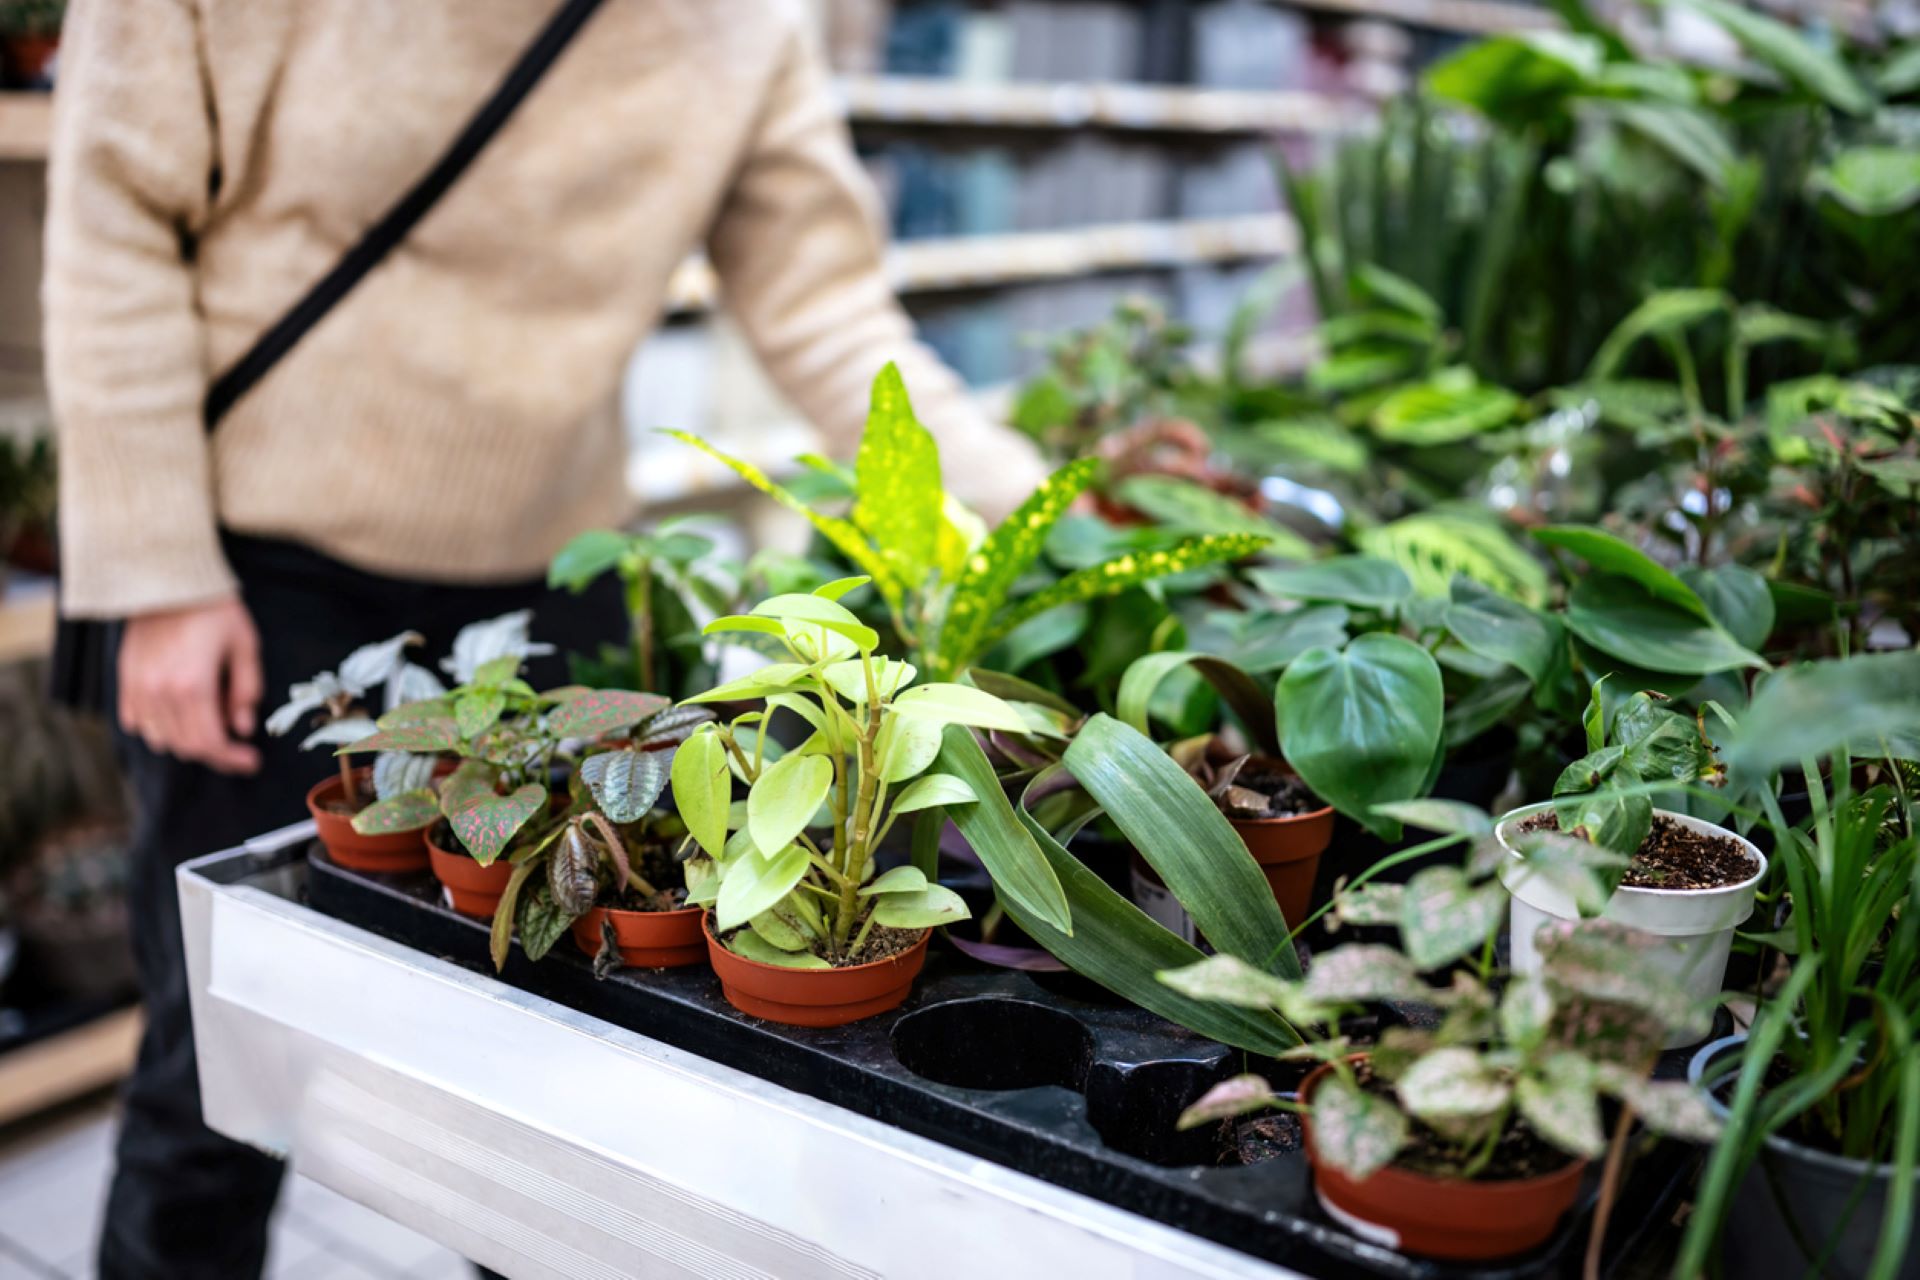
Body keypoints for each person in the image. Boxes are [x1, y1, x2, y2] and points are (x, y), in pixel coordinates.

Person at [42, 2, 1047, 1276]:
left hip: (551, 588)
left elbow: (833, 312)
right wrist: (155, 573)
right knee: (221, 1058)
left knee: (550, 1076)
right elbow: (113, 220)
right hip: (259, 583)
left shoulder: (737, 22)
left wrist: (1042, 512)